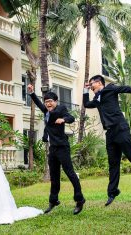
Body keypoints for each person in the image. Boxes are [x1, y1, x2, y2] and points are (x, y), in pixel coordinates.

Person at [83, 75, 131, 206]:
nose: (91, 86)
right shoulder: (97, 98)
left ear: (99, 83)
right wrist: (85, 90)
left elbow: (126, 88)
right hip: (110, 132)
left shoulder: (110, 89)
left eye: (91, 84)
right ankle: (112, 191)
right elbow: (86, 104)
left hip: (120, 128)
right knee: (113, 163)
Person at [28, 84, 86, 215]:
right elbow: (38, 103)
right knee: (54, 176)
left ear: (55, 102)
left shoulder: (60, 109)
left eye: (50, 101)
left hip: (62, 147)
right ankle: (53, 200)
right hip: (53, 149)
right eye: (46, 102)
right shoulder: (47, 112)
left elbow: (71, 118)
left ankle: (80, 199)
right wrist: (31, 93)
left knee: (70, 173)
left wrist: (63, 119)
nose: (48, 104)